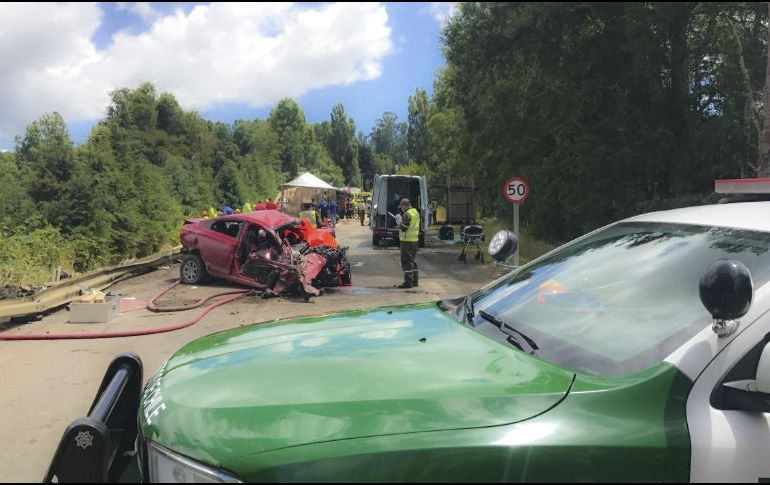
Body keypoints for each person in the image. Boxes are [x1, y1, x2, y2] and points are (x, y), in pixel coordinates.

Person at [396, 198, 420, 288]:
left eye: (401, 207)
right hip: (415, 241)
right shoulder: (415, 212)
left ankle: (408, 282)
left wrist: (399, 223)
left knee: (406, 262)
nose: (401, 209)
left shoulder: (407, 214)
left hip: (407, 242)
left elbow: (404, 228)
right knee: (413, 261)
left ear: (405, 205)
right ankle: (415, 281)